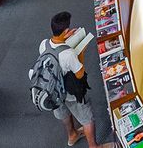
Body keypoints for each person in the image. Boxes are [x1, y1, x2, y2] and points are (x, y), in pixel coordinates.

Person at [38, 11, 116, 148]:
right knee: (87, 119)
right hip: (70, 92)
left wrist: (67, 40)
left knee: (63, 113)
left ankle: (72, 135)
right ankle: (94, 146)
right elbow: (80, 74)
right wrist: (80, 52)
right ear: (66, 31)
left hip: (53, 91)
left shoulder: (44, 44)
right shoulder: (68, 55)